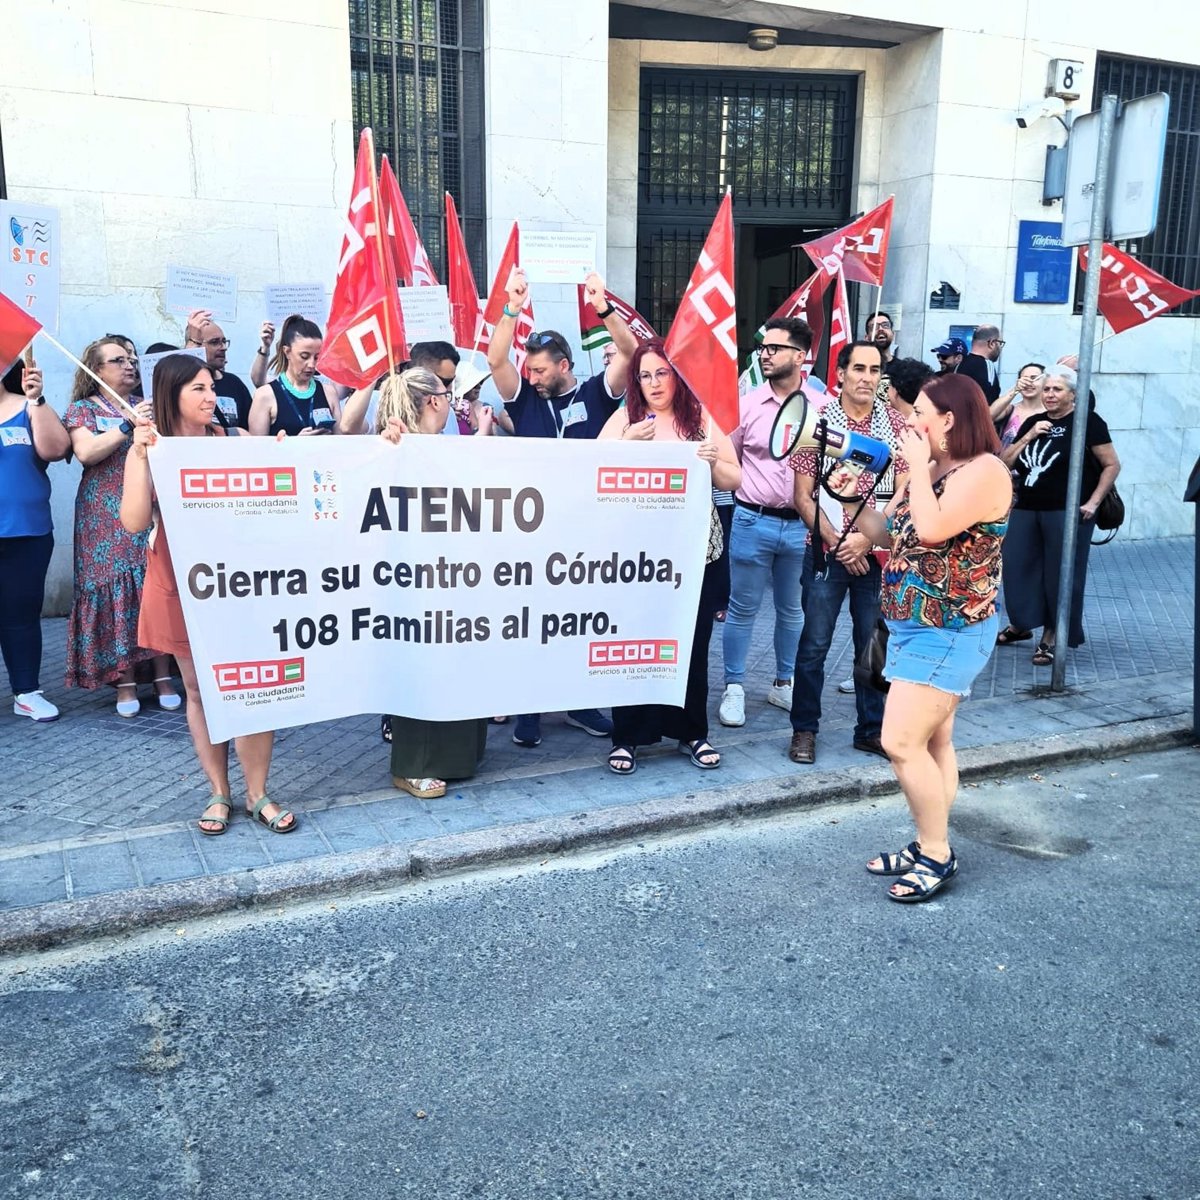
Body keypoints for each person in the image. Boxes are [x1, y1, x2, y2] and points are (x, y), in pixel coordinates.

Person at [826, 373, 1012, 902]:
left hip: (951, 630)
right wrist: (851, 499)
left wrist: (914, 469)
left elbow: (932, 531)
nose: (908, 422)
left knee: (899, 742)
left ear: (948, 420)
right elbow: (890, 534)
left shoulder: (986, 471)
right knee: (934, 742)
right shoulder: (930, 470)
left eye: (918, 414)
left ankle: (936, 853)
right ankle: (929, 837)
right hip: (912, 626)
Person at [120, 354, 294, 836]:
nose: (210, 396)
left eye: (210, 387)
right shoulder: (152, 448)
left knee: (254, 685)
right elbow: (133, 521)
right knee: (197, 689)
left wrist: (284, 454)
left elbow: (286, 478)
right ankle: (219, 791)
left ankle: (258, 793)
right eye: (198, 389)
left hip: (242, 584)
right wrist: (140, 456)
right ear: (170, 393)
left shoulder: (233, 439)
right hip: (178, 582)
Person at [489, 267, 638, 748]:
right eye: (529, 370)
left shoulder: (596, 393)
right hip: (532, 532)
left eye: (540, 370)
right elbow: (495, 359)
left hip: (589, 532)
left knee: (580, 622)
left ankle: (579, 703)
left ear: (565, 365)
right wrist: (511, 308)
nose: (532, 377)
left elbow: (631, 353)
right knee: (531, 622)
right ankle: (529, 709)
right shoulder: (524, 399)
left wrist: (602, 307)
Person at [598, 339, 741, 775]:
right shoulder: (626, 418)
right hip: (638, 559)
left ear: (677, 376)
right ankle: (628, 736)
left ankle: (691, 732)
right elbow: (593, 469)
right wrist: (626, 444)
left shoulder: (701, 418)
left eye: (662, 373)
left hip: (695, 554)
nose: (654, 383)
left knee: (691, 644)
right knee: (634, 643)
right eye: (645, 375)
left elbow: (734, 479)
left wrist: (713, 463)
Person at [371, 367, 492, 797]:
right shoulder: (397, 445)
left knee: (459, 660)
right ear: (434, 401)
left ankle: (459, 754)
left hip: (455, 573)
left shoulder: (440, 445)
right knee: (422, 666)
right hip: (416, 578)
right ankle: (413, 764)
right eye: (447, 392)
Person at [786, 340, 909, 765]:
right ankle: (804, 729)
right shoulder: (816, 422)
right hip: (827, 553)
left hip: (876, 556)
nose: (867, 378)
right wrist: (839, 543)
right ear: (840, 373)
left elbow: (904, 491)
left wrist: (868, 540)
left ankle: (872, 730)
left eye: (875, 370)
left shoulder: (896, 424)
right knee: (814, 645)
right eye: (859, 368)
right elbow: (802, 497)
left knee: (873, 645)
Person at [64, 338, 180, 715]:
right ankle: (125, 682)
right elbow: (86, 452)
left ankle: (163, 676)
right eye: (118, 360)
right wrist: (127, 426)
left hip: (147, 503)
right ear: (96, 370)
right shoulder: (83, 409)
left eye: (131, 359)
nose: (129, 365)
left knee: (151, 588)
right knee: (118, 593)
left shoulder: (147, 403)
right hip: (102, 513)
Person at [717, 316, 813, 728]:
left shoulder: (821, 405)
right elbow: (728, 459)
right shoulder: (747, 404)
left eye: (774, 348)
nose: (765, 355)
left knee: (792, 610)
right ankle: (734, 686)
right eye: (763, 348)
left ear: (800, 355)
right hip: (751, 520)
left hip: (802, 526)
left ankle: (784, 682)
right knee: (741, 609)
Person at [1000, 364, 1120, 667]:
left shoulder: (1088, 422)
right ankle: (1023, 623)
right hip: (1027, 507)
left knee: (1061, 574)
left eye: (1057, 389)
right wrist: (1028, 436)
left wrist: (1093, 502)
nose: (1050, 394)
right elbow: (1005, 461)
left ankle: (1053, 634)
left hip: (1068, 511)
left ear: (1073, 394)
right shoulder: (1035, 421)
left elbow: (1112, 465)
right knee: (1017, 567)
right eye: (1047, 389)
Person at [1, 357, 71, 722]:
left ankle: (26, 692)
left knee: (21, 614)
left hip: (26, 531)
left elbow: (56, 450)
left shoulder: (28, 406)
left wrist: (36, 399)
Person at [248, 315, 343, 436]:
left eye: (316, 357)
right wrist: (295, 443)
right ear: (287, 352)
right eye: (304, 356)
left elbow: (342, 442)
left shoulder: (329, 393)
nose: (311, 365)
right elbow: (256, 446)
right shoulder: (265, 396)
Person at [184, 309, 255, 429]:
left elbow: (249, 432)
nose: (223, 347)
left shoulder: (234, 383)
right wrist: (193, 342)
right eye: (214, 342)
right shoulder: (184, 385)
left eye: (223, 341)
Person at [991, 361, 1045, 448]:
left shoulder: (1051, 413)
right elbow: (989, 415)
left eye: (1034, 378)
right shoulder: (1010, 409)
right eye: (1024, 379)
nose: (1028, 382)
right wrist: (1015, 390)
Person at [957, 325, 1004, 404]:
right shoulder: (988, 365)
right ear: (992, 343)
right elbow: (990, 405)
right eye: (1000, 343)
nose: (1000, 348)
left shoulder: (959, 364)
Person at [883, 357, 934, 423]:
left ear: (895, 391)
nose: (887, 392)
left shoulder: (885, 424)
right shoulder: (932, 424)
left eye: (888, 386)